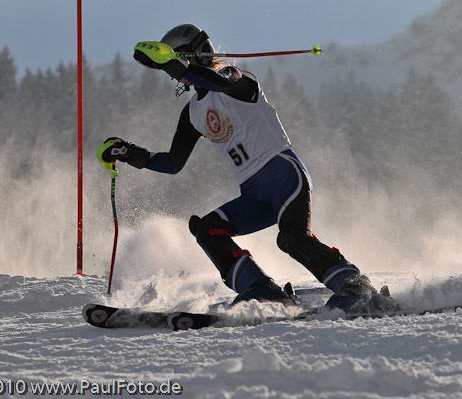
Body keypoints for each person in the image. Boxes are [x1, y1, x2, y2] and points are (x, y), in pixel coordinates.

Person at [100, 23, 395, 312]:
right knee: (207, 229)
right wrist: (128, 153)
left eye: (179, 61)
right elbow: (173, 163)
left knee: (291, 239)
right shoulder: (193, 112)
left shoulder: (235, 77)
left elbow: (222, 81)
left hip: (283, 174)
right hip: (254, 193)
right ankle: (260, 289)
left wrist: (176, 66)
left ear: (196, 54)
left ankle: (355, 287)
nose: (175, 77)